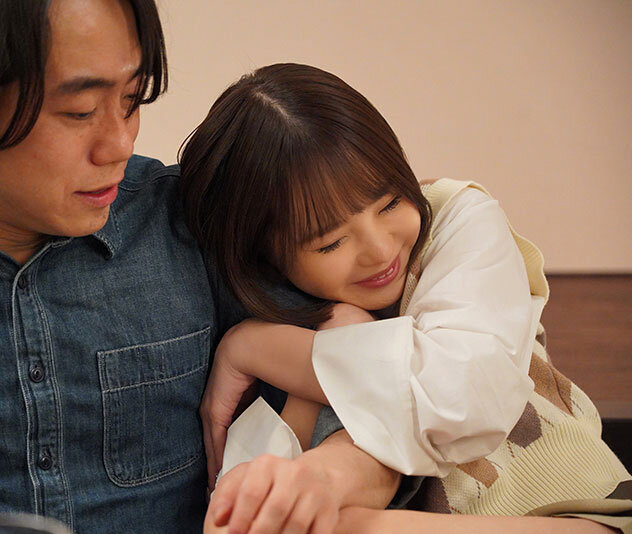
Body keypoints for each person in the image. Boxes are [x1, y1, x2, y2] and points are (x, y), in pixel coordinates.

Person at [0, 3, 405, 534]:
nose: (120, 144)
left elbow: (388, 397)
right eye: (79, 111)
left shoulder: (191, 221)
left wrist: (325, 472)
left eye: (132, 99)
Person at [179, 63, 632, 533]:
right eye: (330, 242)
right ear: (265, 256)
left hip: (583, 511)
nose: (379, 250)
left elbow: (458, 399)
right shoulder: (294, 309)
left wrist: (254, 347)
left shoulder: (459, 219)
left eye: (390, 202)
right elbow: (252, 502)